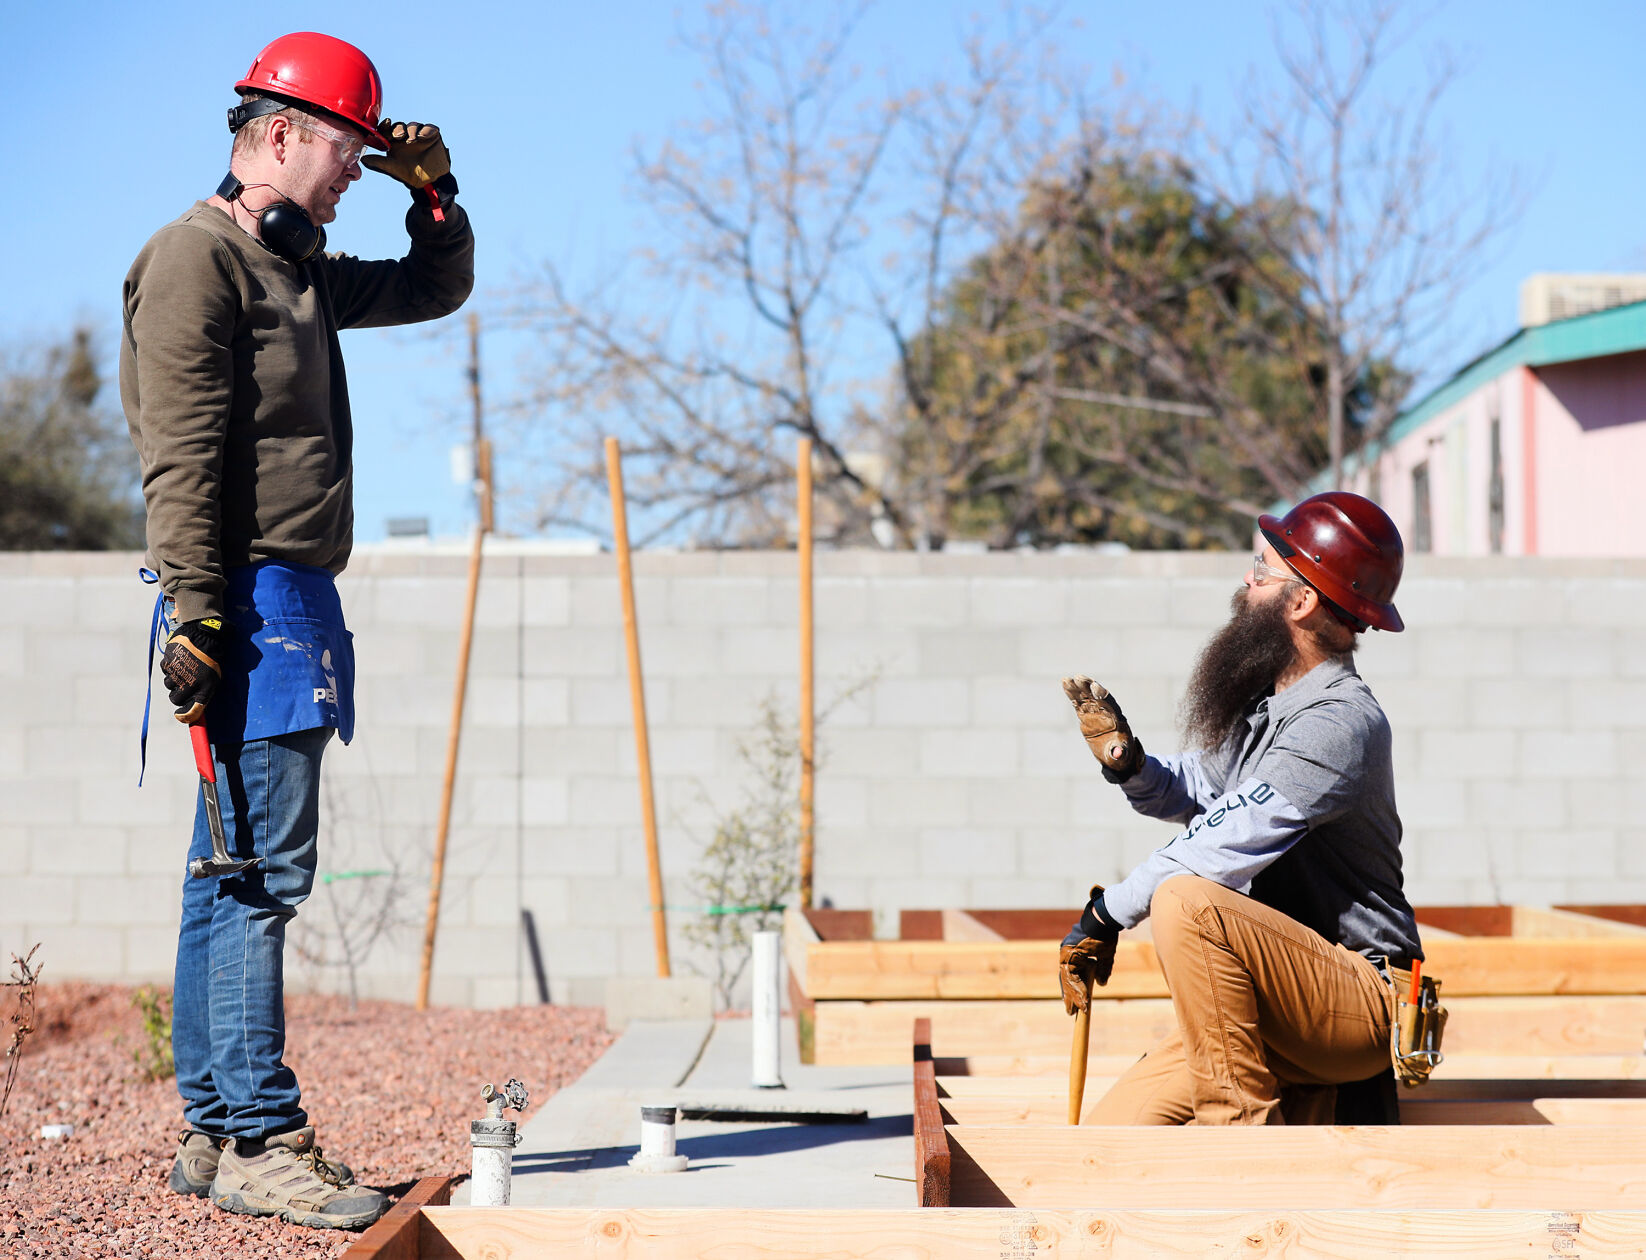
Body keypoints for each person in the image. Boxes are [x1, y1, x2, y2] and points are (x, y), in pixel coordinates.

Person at [121, 32, 473, 1228]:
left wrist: (433, 196)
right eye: (344, 153)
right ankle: (262, 1134)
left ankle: (217, 1136)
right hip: (248, 596)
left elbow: (435, 287)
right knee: (261, 876)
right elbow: (178, 451)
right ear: (278, 135)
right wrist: (203, 612)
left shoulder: (301, 271)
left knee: (228, 872)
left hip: (285, 595)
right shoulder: (194, 263)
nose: (348, 179)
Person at [1057, 490, 1424, 1126]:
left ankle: (1246, 1145)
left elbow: (1217, 847)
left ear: (1302, 600)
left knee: (1185, 901)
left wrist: (1105, 914)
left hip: (1363, 1003)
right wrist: (1130, 764)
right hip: (1282, 1000)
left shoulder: (1339, 721)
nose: (1246, 583)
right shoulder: (1274, 711)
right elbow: (1201, 791)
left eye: (1261, 571)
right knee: (1114, 1139)